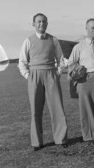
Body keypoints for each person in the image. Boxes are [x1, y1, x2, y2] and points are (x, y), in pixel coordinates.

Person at [18, 13, 68, 151]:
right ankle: (37, 142)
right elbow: (22, 61)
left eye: (44, 21)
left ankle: (61, 139)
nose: (41, 24)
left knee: (57, 108)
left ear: (47, 23)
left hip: (51, 74)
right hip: (35, 76)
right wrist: (28, 76)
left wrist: (58, 73)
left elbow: (61, 59)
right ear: (34, 24)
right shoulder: (28, 40)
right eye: (38, 22)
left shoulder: (54, 40)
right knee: (35, 109)